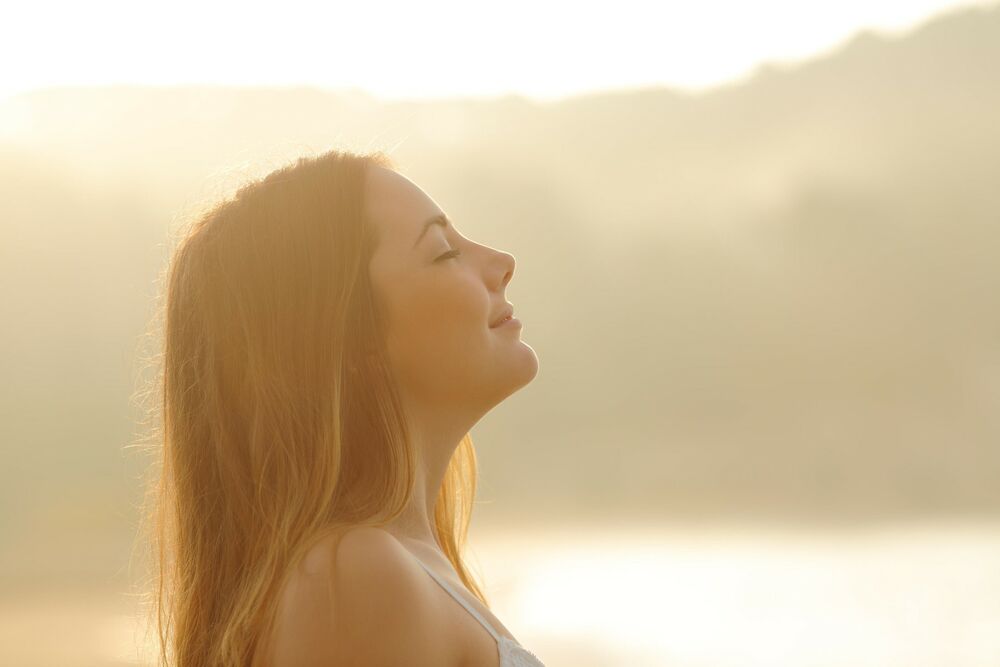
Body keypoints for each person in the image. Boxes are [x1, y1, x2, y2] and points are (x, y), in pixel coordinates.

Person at [137, 148, 544, 667]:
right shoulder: (355, 578)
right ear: (351, 342)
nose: (503, 263)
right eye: (444, 252)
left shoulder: (396, 569)